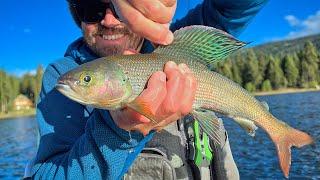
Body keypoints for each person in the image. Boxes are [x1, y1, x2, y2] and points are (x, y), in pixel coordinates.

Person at [25, 0, 268, 179]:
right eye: (91, 9)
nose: (108, 21)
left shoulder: (174, 43)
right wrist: (117, 130)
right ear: (77, 16)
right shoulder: (62, 76)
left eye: (119, 8)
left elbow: (234, 7)